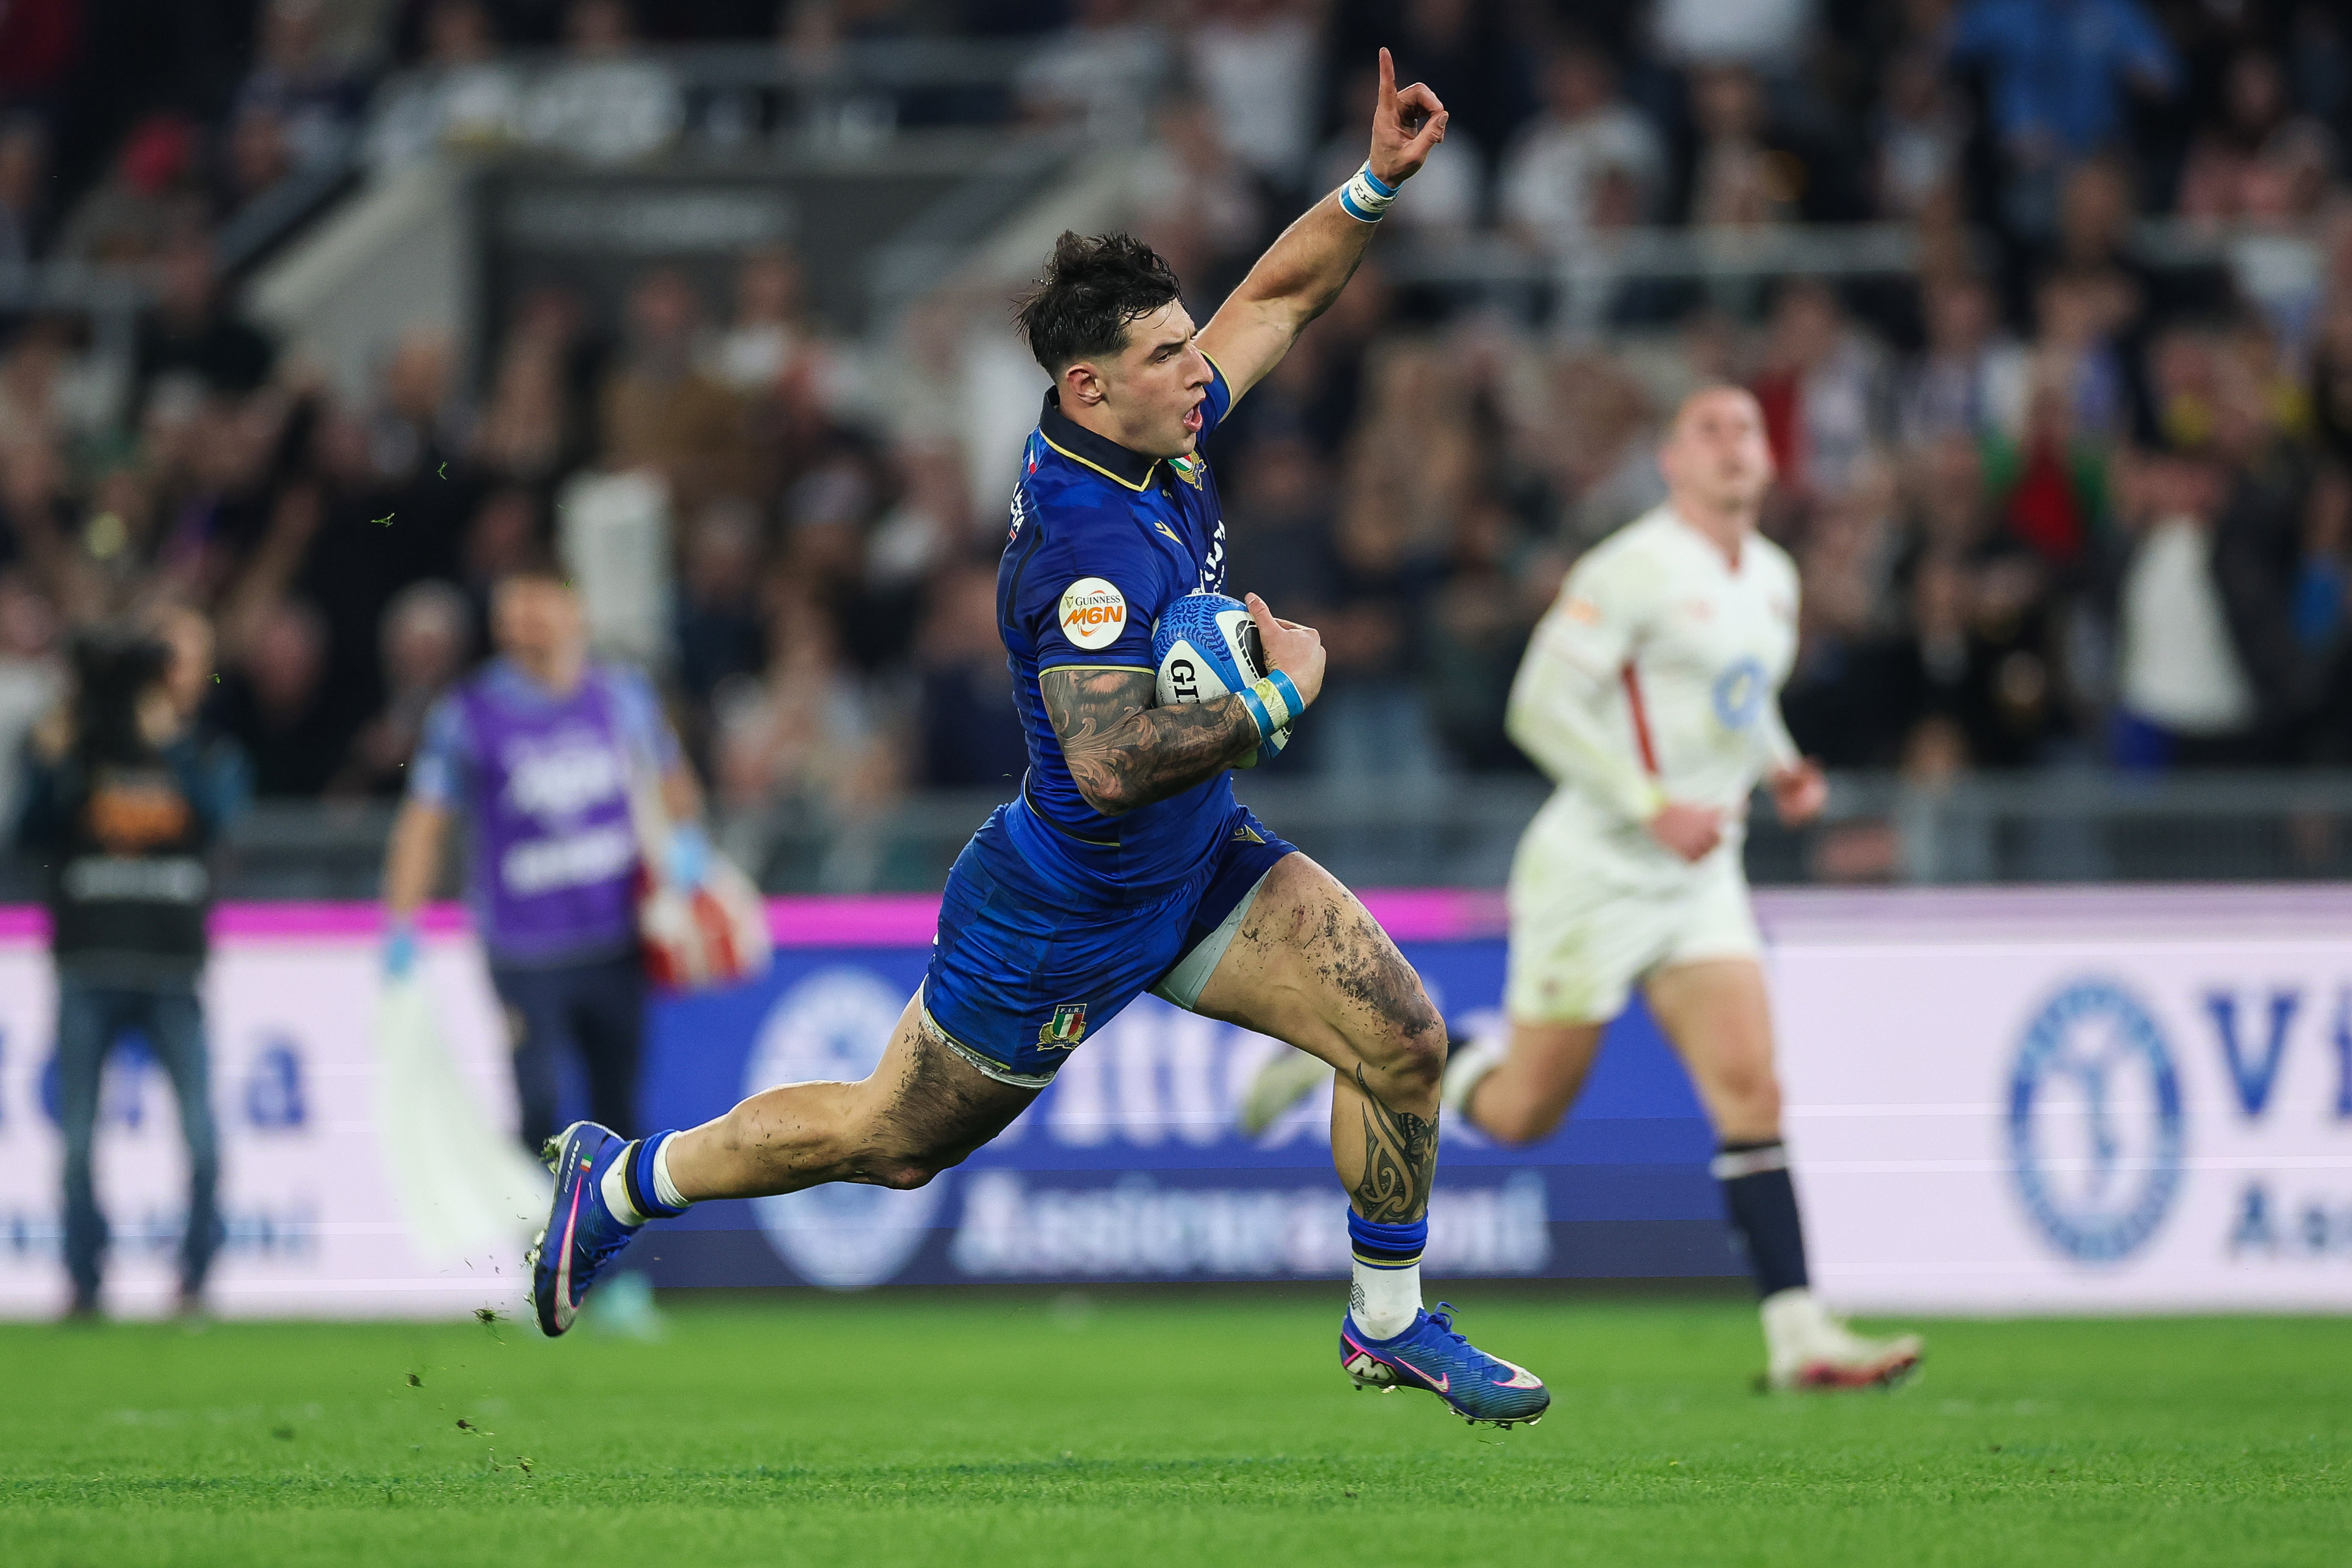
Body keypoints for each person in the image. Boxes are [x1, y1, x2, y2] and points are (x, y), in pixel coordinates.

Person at [527, 50, 1550, 1429]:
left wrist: (1371, 183)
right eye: (1164, 355)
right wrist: (1272, 698)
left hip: (1193, 870)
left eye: (1187, 344)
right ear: (1085, 388)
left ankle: (1386, 1324)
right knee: (888, 1141)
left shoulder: (1162, 433)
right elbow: (1105, 762)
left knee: (1401, 1037)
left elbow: (1282, 298)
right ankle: (626, 1179)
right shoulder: (1080, 546)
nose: (1200, 369)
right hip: (1059, 906)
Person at [1244, 388, 1924, 1391]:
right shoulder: (1632, 568)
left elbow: (1736, 699)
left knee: (1752, 1090)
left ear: (1772, 461)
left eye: (1747, 431)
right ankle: (1342, 1056)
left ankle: (1799, 1337)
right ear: (1670, 461)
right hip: (1597, 871)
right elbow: (1540, 705)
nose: (1733, 447)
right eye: (1710, 431)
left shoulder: (1772, 578)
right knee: (1524, 1113)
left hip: (1698, 877)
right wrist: (1650, 805)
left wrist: (1779, 764)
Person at [381, 563, 707, 1161]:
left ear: (574, 613)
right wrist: (402, 923)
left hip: (615, 939)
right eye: (513, 611)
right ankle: (541, 1242)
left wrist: (690, 848)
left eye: (539, 608)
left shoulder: (620, 697)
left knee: (620, 1107)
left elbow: (672, 777)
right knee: (538, 1103)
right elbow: (423, 824)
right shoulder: (467, 715)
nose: (526, 625)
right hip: (524, 952)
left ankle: (614, 1254)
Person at [17, 608, 249, 1318]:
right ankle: (85, 1286)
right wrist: (52, 757)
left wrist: (169, 745)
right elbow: (26, 834)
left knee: (205, 1142)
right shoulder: (79, 748)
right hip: (88, 964)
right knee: (79, 1145)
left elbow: (219, 819)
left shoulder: (208, 752)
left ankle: (194, 1282)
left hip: (172, 970)